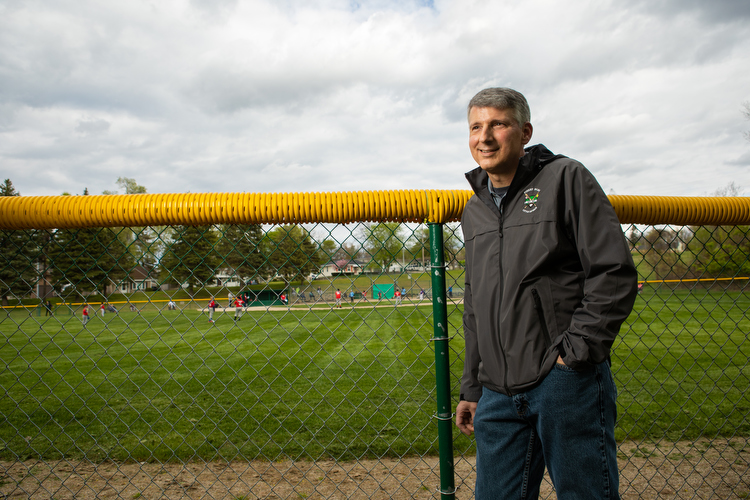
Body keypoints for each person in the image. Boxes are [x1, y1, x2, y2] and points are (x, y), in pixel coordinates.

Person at [455, 87, 638, 499]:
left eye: (498, 124)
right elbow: (475, 307)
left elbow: (613, 272)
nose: (484, 137)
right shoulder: (474, 209)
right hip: (497, 393)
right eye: (475, 127)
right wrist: (471, 387)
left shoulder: (565, 178)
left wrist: (572, 355)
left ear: (524, 131)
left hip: (562, 382)